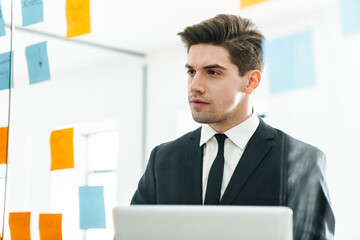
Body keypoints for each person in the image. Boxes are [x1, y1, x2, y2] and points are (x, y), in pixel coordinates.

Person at [131, 14, 335, 240]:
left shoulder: (302, 160)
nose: (195, 86)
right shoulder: (163, 158)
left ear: (251, 81)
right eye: (191, 72)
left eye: (213, 72)